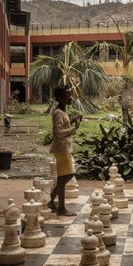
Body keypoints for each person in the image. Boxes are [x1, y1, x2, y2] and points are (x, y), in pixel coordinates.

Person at [48, 86, 82, 216]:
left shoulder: (63, 110)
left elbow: (63, 125)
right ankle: (61, 208)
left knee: (65, 176)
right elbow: (58, 133)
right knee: (65, 176)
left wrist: (73, 120)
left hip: (65, 148)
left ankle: (51, 201)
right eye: (68, 96)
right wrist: (74, 129)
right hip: (61, 149)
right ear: (61, 98)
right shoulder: (58, 112)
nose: (71, 98)